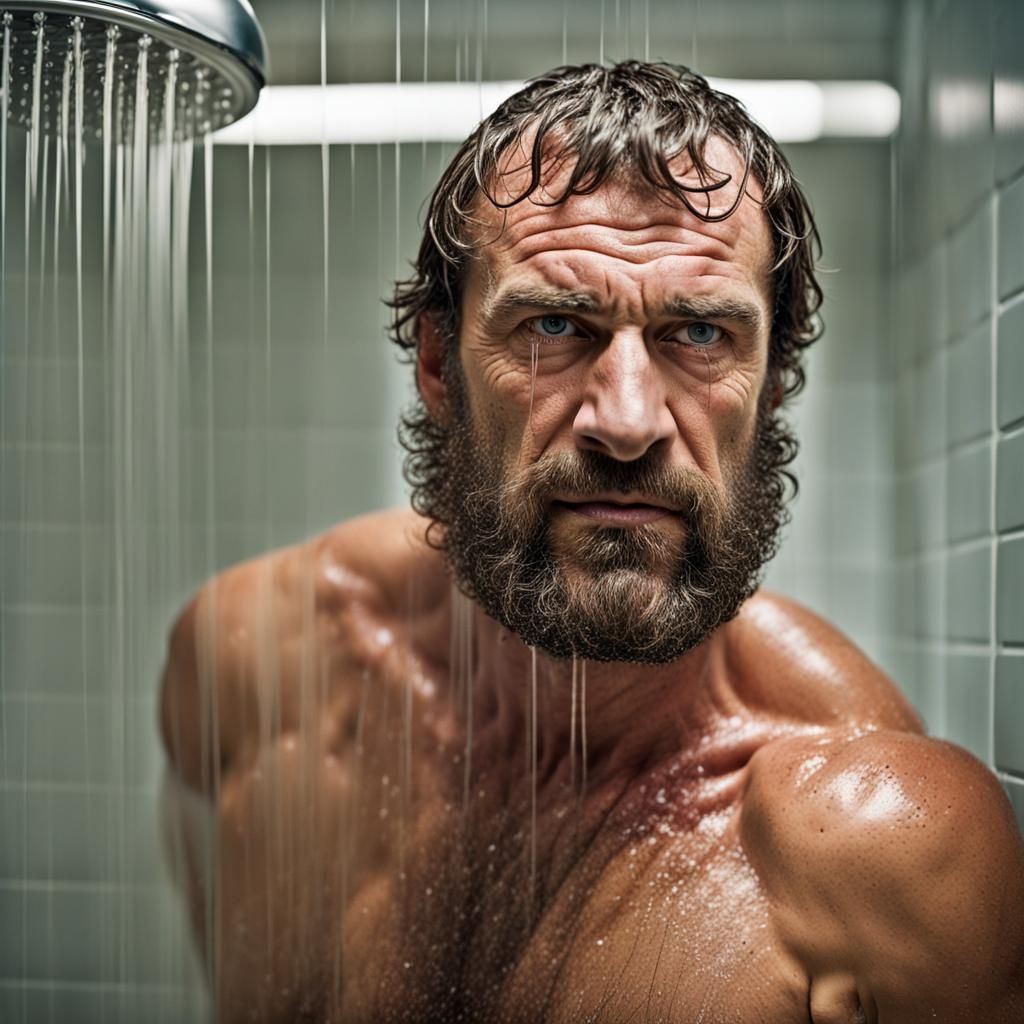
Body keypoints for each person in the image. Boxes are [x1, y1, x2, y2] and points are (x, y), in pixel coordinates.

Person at [159, 62, 1024, 1023]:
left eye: (700, 333)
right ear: (440, 366)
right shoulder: (257, 673)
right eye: (555, 325)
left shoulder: (883, 856)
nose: (626, 421)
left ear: (773, 383)